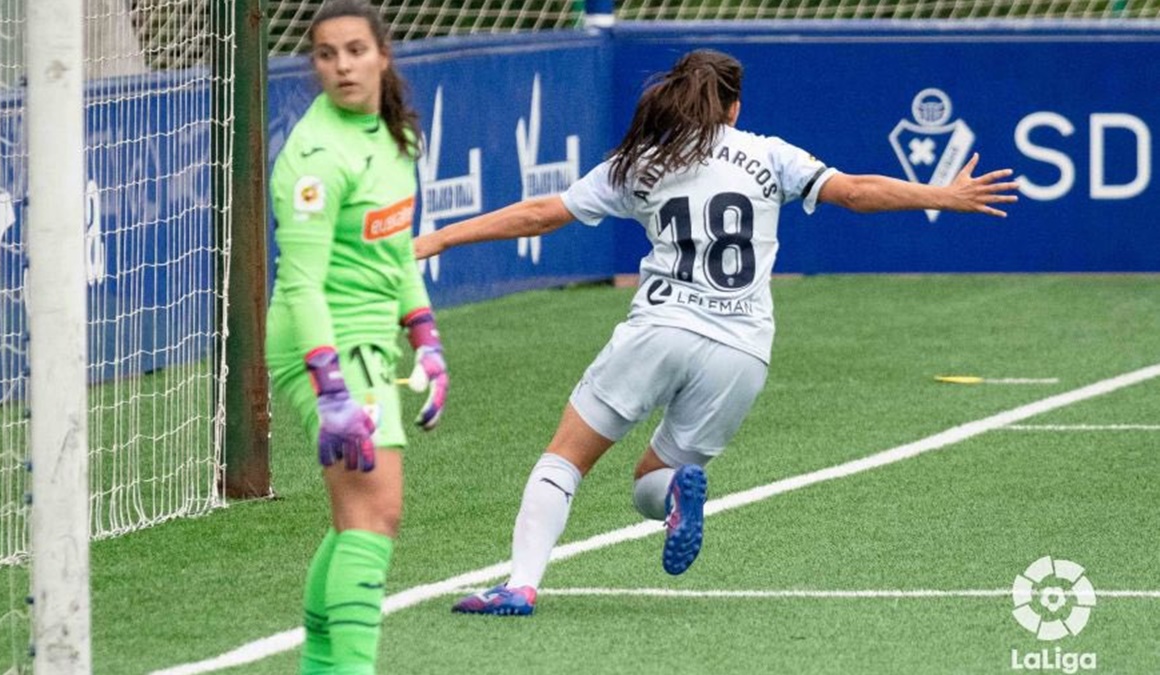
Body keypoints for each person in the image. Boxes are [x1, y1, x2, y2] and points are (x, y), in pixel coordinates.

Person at [415, 49, 1017, 616]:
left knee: (566, 458)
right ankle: (679, 485)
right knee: (652, 484)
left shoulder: (643, 161)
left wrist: (439, 237)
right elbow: (855, 192)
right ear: (733, 107)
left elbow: (541, 215)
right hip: (742, 351)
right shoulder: (770, 154)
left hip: (659, 330)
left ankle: (520, 585)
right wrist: (943, 195)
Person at [265, 1, 448, 671]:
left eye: (353, 50)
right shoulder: (314, 159)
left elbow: (396, 253)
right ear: (313, 65)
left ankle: (322, 662)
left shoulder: (397, 138)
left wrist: (425, 338)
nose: (341, 65)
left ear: (382, 55)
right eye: (325, 54)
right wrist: (331, 387)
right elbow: (303, 284)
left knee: (359, 516)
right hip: (321, 340)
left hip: (369, 339)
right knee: (377, 512)